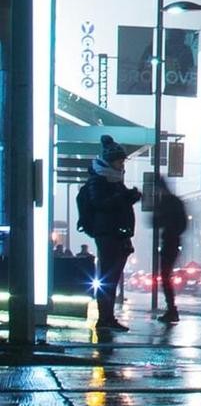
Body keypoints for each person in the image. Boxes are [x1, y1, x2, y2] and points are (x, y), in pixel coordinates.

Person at [76, 137, 138, 336]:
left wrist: (129, 197)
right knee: (108, 278)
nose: (122, 164)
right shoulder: (100, 180)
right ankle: (104, 319)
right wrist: (125, 197)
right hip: (108, 234)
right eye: (119, 161)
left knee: (112, 277)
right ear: (110, 161)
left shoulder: (112, 178)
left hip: (117, 234)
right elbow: (100, 204)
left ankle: (108, 318)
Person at [153, 173, 190, 324]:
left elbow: (156, 222)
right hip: (173, 241)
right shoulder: (175, 202)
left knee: (165, 277)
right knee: (166, 277)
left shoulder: (166, 203)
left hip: (169, 242)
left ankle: (172, 310)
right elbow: (183, 223)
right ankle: (171, 309)